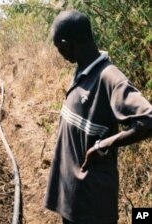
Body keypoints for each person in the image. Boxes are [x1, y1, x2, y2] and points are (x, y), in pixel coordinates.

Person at [44, 10, 152, 224]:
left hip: (92, 203)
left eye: (59, 48)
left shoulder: (110, 79)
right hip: (72, 196)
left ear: (68, 44)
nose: (60, 54)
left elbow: (148, 120)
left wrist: (103, 145)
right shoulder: (83, 71)